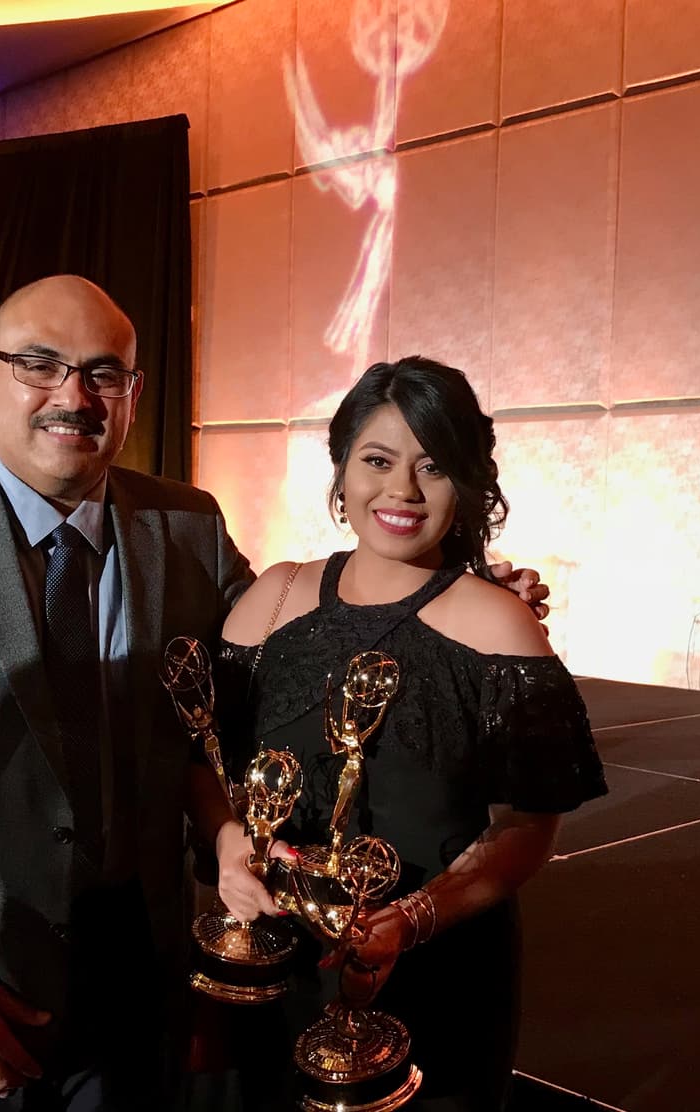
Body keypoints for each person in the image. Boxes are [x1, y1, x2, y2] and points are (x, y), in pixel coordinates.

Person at [0, 278, 551, 1112]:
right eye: (40, 364)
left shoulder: (187, 527)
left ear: (133, 394)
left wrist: (451, 603)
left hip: (134, 1000)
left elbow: (301, 651)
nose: (73, 396)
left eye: (103, 373)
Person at [200, 357, 607, 1112]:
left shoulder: (500, 626)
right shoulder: (273, 598)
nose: (403, 491)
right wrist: (228, 844)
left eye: (433, 466)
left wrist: (411, 922)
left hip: (435, 979)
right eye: (378, 461)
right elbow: (204, 759)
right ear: (341, 468)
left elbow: (529, 826)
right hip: (272, 973)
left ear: (469, 482)